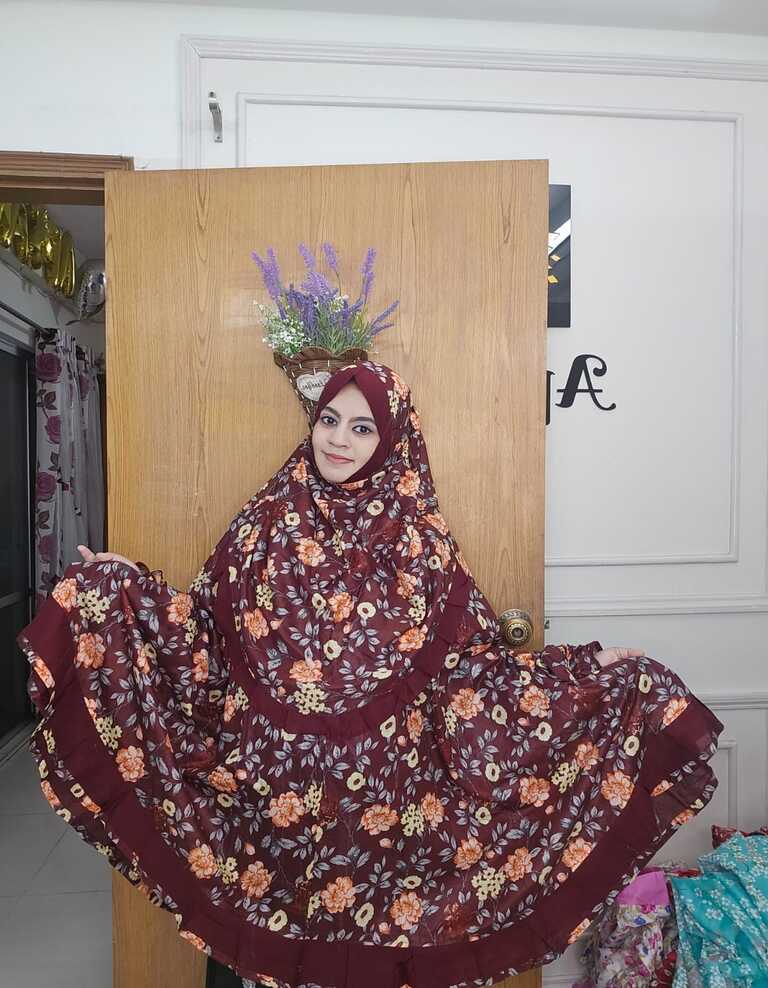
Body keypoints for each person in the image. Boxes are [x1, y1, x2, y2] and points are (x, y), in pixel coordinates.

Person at [17, 360, 723, 988]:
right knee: (260, 956)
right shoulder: (266, 521)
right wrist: (126, 587)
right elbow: (203, 635)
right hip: (263, 812)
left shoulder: (419, 542)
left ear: (391, 441)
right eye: (329, 419)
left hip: (383, 820)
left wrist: (584, 668)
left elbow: (473, 667)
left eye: (361, 428)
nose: (338, 440)